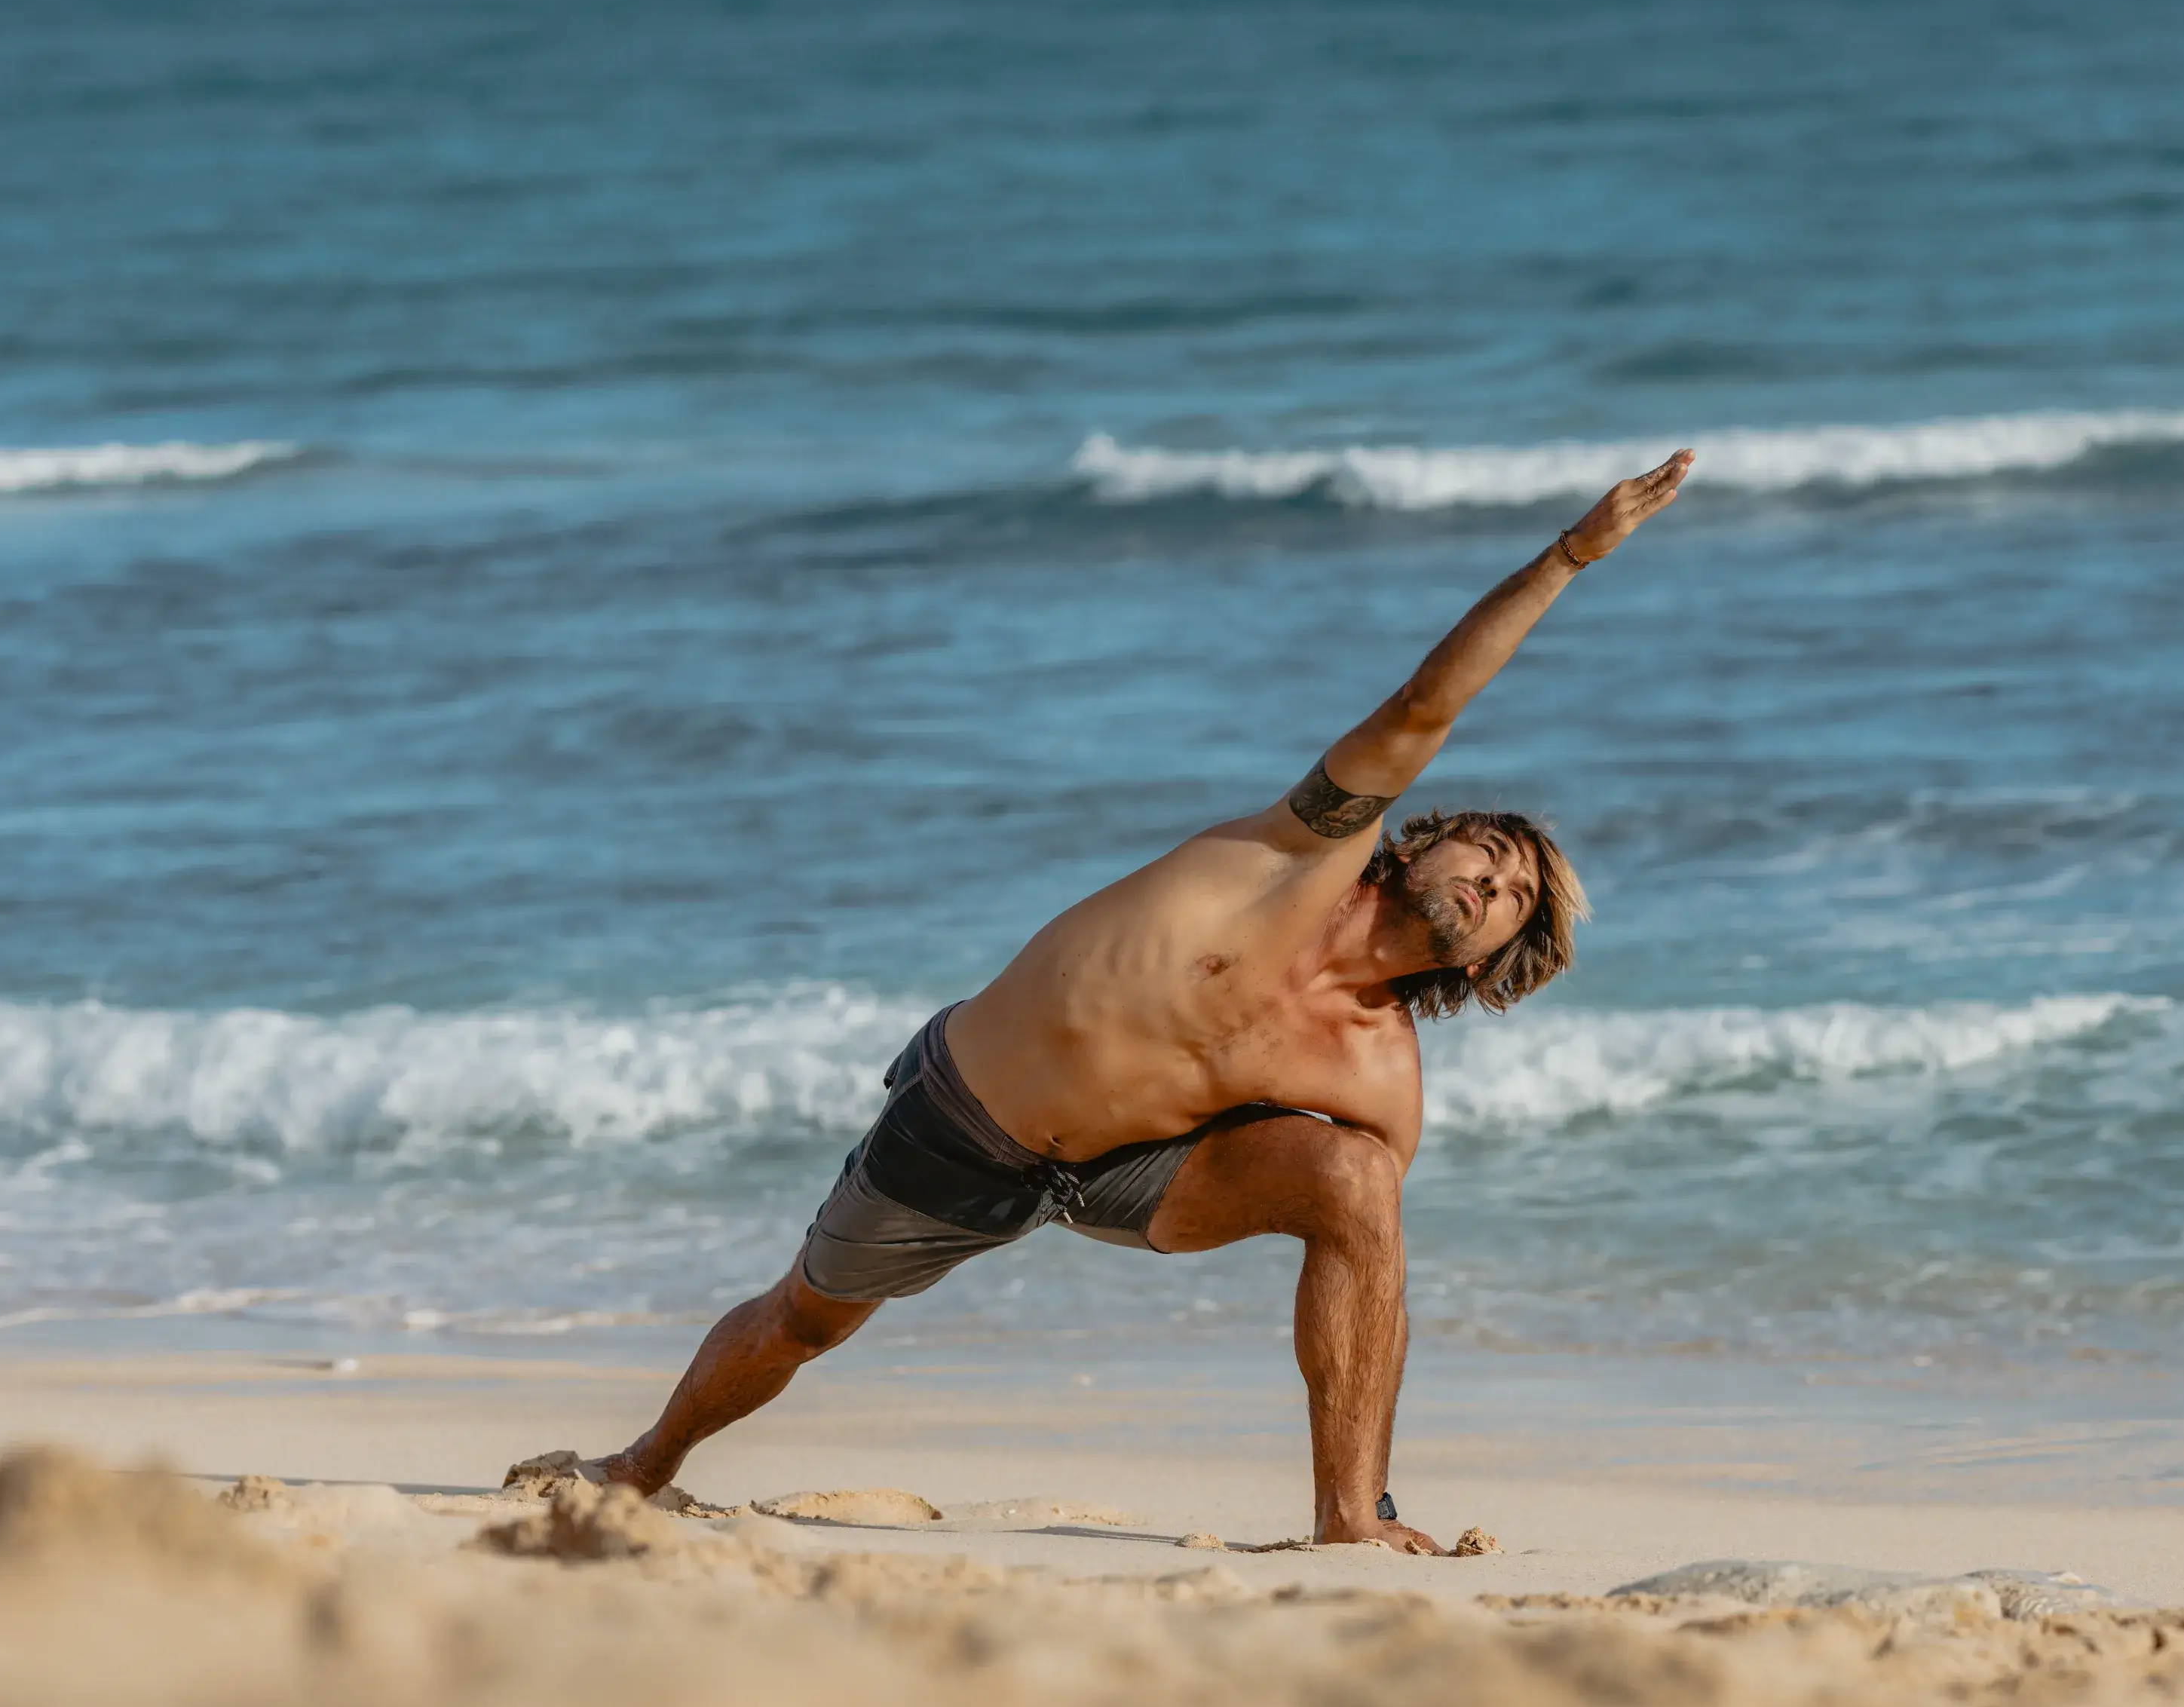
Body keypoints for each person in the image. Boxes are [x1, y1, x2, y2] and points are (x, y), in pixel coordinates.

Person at [587, 448, 1695, 1552]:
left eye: (1511, 899)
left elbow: (1374, 1292)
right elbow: (1424, 703)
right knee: (804, 1320)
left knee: (1358, 1184)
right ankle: (640, 1466)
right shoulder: (1298, 851)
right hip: (967, 1117)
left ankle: (1349, 1514)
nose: (1491, 883)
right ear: (1422, 837)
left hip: (1119, 1178)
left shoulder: (1379, 1074)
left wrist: (1379, 1486)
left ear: (1496, 955)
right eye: (1487, 852)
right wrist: (1567, 558)